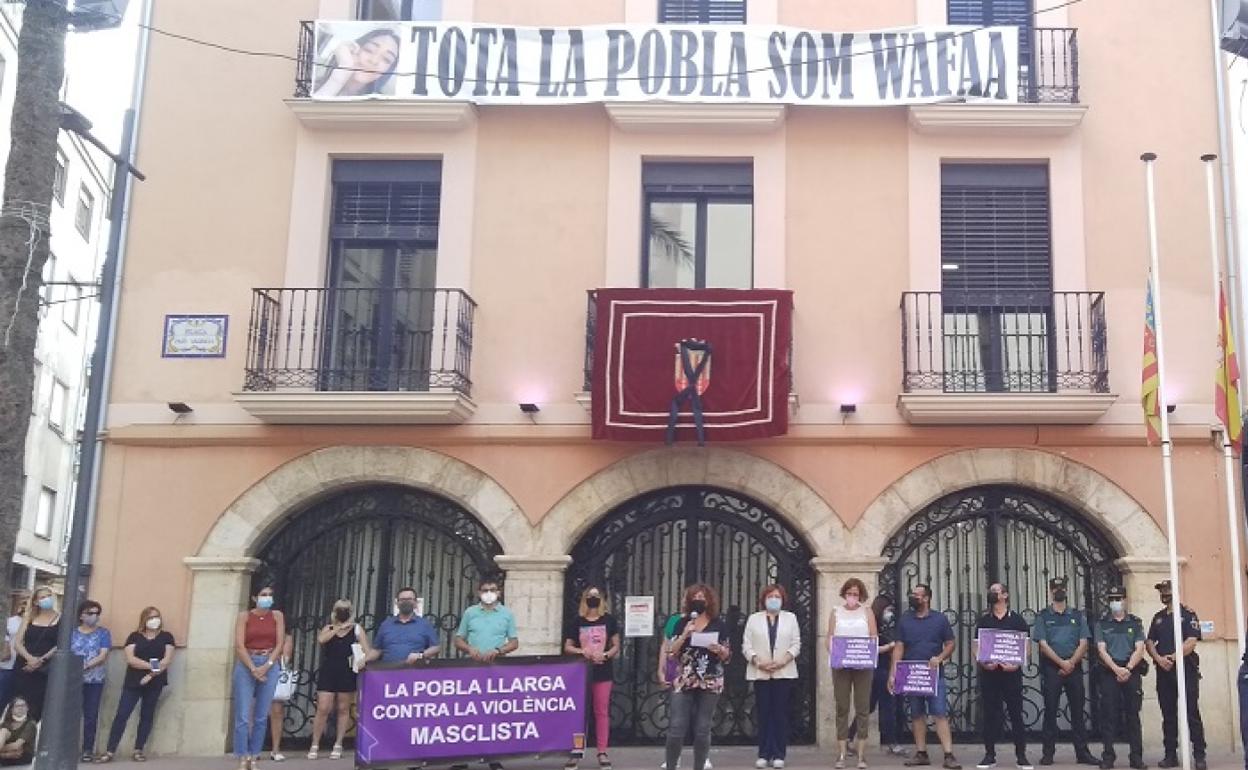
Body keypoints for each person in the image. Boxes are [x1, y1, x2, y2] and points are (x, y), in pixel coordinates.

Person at [889, 583, 960, 770]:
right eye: (912, 594)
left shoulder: (940, 619)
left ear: (927, 598)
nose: (913, 597)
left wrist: (940, 657)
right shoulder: (905, 620)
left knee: (939, 713)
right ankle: (921, 753)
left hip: (934, 674)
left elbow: (951, 643)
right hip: (911, 674)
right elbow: (899, 646)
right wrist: (893, 673)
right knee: (917, 714)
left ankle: (948, 754)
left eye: (917, 595)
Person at [664, 584, 730, 770]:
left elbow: (727, 655)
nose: (699, 600)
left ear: (709, 601)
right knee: (677, 727)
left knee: (702, 729)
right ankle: (671, 765)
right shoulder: (681, 622)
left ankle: (699, 766)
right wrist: (685, 634)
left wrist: (719, 649)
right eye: (695, 597)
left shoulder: (718, 624)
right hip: (685, 678)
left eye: (702, 597)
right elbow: (671, 652)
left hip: (710, 679)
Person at [1032, 577, 1096, 767]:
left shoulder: (1076, 615)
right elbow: (1043, 645)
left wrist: (1070, 663)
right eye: (1055, 588)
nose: (1058, 591)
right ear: (1050, 591)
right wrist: (1061, 663)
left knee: (1078, 712)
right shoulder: (1043, 616)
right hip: (1052, 669)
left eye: (1061, 588)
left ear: (1066, 591)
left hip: (1074, 669)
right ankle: (1048, 753)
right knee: (1050, 711)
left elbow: (1084, 642)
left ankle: (1082, 753)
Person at [99, 606, 174, 763]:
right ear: (144, 620)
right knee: (122, 714)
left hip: (155, 682)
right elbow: (131, 659)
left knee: (147, 715)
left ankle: (138, 749)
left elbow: (166, 661)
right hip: (133, 681)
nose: (155, 620)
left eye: (157, 616)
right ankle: (110, 750)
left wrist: (151, 675)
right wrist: (151, 666)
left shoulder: (166, 637)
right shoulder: (134, 636)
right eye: (151, 617)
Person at [1145, 580, 1206, 770]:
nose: (1164, 593)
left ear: (1175, 592)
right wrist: (1158, 658)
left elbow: (1191, 641)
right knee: (1168, 715)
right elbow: (1149, 642)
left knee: (1191, 713)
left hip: (1185, 669)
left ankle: (1199, 755)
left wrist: (1172, 657)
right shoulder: (1158, 618)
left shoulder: (1188, 614)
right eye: (1162, 591)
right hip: (1164, 671)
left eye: (1167, 590)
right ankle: (1170, 754)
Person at [974, 583, 1033, 770]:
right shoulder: (983, 621)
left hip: (1011, 675)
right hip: (990, 674)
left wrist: (1015, 664)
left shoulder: (1017, 621)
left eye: (996, 591)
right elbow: (976, 646)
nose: (992, 594)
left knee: (1016, 714)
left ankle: (1021, 756)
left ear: (1005, 595)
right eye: (990, 591)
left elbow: (1027, 647)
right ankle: (989, 755)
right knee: (990, 714)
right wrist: (983, 662)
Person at [742, 584, 801, 770]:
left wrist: (783, 661)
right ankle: (764, 753)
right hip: (761, 672)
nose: (773, 599)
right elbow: (746, 645)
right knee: (764, 713)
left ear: (782, 599)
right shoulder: (754, 619)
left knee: (780, 714)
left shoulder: (790, 618)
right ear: (764, 599)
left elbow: (796, 643)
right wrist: (758, 662)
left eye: (777, 596)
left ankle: (778, 753)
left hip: (783, 672)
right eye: (770, 596)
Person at [563, 586, 621, 770]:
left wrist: (605, 655)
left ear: (602, 599)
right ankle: (576, 751)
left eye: (596, 596)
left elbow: (616, 645)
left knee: (601, 711)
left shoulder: (609, 620)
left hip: (603, 671)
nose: (593, 598)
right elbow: (568, 646)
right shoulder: (577, 621)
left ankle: (602, 751)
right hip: (581, 672)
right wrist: (583, 652)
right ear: (584, 599)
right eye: (590, 596)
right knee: (579, 713)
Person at [232, 586, 286, 770]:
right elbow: (239, 645)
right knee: (243, 714)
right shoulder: (244, 616)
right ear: (255, 597)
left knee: (262, 715)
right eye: (263, 595)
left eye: (270, 595)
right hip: (247, 661)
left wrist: (267, 666)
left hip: (269, 662)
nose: (267, 598)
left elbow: (280, 644)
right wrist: (254, 669)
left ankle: (254, 756)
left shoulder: (277, 616)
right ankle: (242, 755)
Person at [1093, 585, 1147, 770]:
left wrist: (1128, 668)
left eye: (1119, 598)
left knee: (1133, 716)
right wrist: (1117, 669)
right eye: (1112, 599)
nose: (1116, 602)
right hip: (1110, 672)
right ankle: (1108, 756)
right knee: (1109, 716)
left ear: (1125, 600)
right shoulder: (1102, 623)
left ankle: (1136, 757)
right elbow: (1101, 650)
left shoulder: (1135, 623)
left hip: (1130, 671)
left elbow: (1140, 647)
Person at [310, 600, 370, 760]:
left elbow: (367, 650)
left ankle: (338, 743)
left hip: (347, 671)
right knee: (323, 707)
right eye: (340, 609)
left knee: (343, 708)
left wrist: (361, 660)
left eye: (346, 610)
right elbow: (321, 640)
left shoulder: (357, 629)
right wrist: (337, 627)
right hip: (329, 671)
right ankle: (315, 743)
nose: (342, 612)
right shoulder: (328, 628)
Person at [829, 578, 878, 770]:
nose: (852, 597)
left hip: (863, 666)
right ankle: (841, 753)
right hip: (841, 666)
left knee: (862, 708)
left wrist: (864, 654)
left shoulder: (867, 612)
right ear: (844, 594)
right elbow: (829, 638)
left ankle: (861, 754)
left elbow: (873, 637)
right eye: (849, 593)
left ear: (861, 595)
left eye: (856, 593)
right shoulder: (836, 612)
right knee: (842, 706)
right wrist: (836, 654)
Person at [849, 594, 905, 758]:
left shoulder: (889, 627)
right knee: (887, 707)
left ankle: (848, 738)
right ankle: (892, 743)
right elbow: (869, 647)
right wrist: (890, 646)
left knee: (868, 707)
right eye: (888, 609)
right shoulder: (871, 626)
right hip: (879, 670)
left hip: (884, 669)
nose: (890, 613)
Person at [72, 599, 112, 762]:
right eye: (90, 613)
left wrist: (86, 665)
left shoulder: (103, 633)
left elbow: (103, 655)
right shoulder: (72, 633)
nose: (94, 616)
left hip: (94, 680)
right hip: (72, 681)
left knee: (90, 715)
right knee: (71, 715)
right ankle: (68, 746)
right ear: (81, 615)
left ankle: (87, 749)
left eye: (97, 613)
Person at [312, 28, 401, 98]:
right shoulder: (311, 87)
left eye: (386, 59)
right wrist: (344, 68)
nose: (374, 60)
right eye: (369, 50)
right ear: (354, 49)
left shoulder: (380, 107)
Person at [13, 586, 59, 720]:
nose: (47, 599)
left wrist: (40, 661)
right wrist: (30, 659)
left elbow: (59, 645)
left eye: (49, 596)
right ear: (35, 601)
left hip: (44, 669)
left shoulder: (60, 619)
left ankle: (31, 736)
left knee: (37, 705)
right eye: (42, 597)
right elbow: (17, 642)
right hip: (24, 666)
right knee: (19, 703)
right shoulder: (29, 617)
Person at [368, 587, 438, 666]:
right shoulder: (386, 625)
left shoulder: (425, 624)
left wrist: (420, 655)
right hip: (388, 672)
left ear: (415, 603)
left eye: (409, 599)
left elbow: (435, 648)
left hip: (416, 672)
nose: (406, 602)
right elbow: (377, 650)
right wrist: (364, 661)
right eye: (402, 599)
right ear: (397, 603)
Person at [455, 578, 518, 661]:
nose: (489, 593)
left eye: (493, 590)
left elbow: (514, 643)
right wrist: (469, 649)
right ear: (479, 593)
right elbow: (458, 640)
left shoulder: (507, 613)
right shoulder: (470, 612)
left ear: (499, 593)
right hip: (473, 662)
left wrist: (498, 651)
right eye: (485, 590)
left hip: (498, 662)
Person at [0, 592, 29, 717]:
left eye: (28, 599)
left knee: (20, 704)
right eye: (22, 599)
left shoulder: (34, 622)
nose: (25, 602)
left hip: (27, 669)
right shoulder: (9, 622)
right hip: (7, 667)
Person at [266, 633, 294, 762]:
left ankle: (275, 749)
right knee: (254, 712)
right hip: (256, 671)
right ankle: (252, 747)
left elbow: (286, 658)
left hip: (275, 673)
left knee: (276, 711)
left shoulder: (285, 636)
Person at [0, 696, 36, 766]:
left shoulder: (30, 724)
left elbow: (16, 746)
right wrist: (7, 755)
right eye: (17, 706)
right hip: (6, 757)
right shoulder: (6, 724)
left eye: (23, 705)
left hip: (22, 756)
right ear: (12, 710)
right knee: (4, 731)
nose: (20, 708)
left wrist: (2, 750)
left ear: (27, 708)